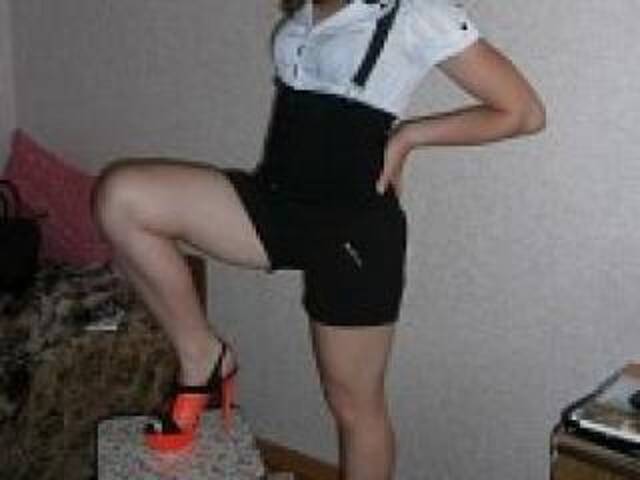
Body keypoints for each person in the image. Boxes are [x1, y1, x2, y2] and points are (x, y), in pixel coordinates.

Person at [92, 0, 545, 478]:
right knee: (122, 199)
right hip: (274, 202)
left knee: (354, 407)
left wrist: (410, 136)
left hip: (352, 230)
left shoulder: (413, 13)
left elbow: (522, 112)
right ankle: (202, 356)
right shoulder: (310, 8)